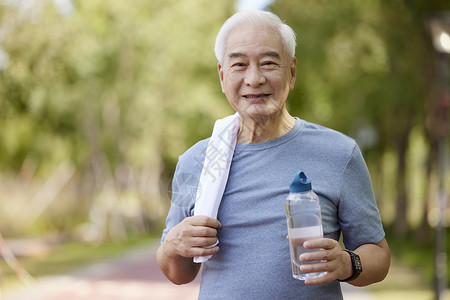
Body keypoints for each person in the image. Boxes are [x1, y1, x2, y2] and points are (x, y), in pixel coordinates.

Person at [156, 10, 390, 299]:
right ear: (222, 75)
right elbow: (179, 273)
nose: (254, 79)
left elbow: (378, 255)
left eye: (268, 63)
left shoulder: (339, 153)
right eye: (239, 64)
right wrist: (173, 245)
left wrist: (346, 263)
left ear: (291, 72)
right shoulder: (197, 161)